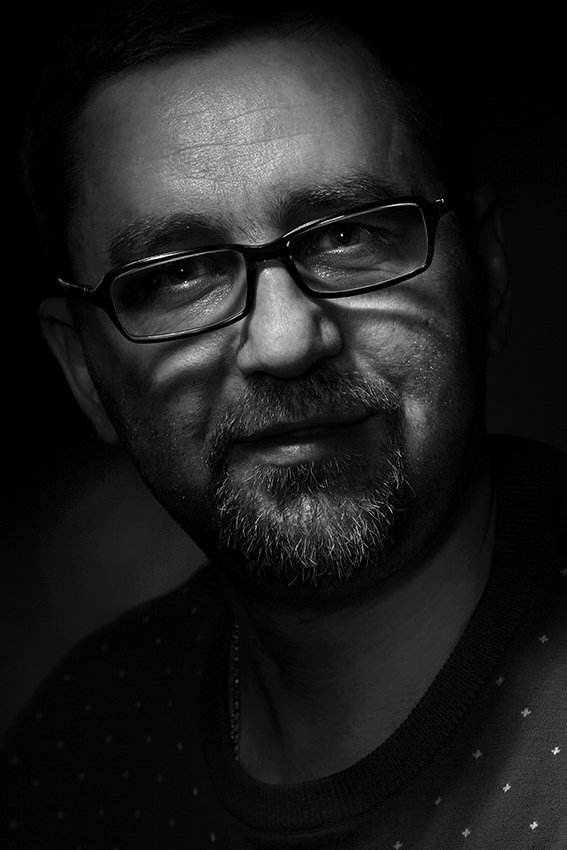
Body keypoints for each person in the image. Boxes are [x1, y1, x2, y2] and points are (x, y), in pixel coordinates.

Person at [3, 1, 565, 847]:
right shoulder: (70, 760)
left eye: (347, 235)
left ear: (484, 272)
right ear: (84, 371)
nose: (285, 340)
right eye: (178, 274)